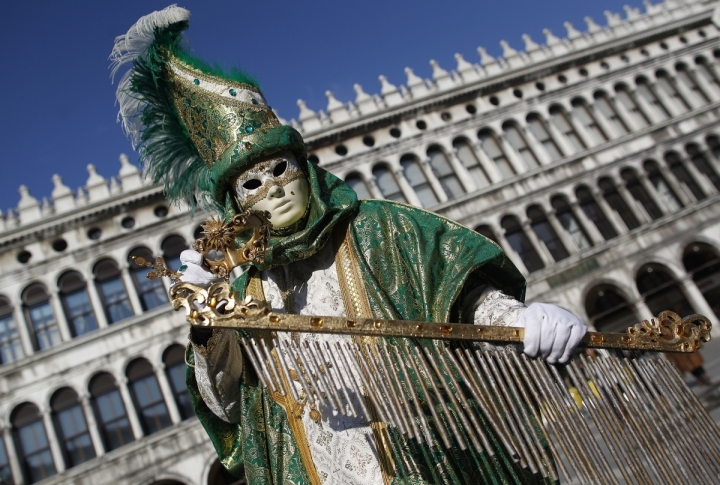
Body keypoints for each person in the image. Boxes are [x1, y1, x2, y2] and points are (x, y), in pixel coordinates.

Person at [111, 7, 586, 484]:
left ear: (305, 168)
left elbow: (451, 288)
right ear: (237, 205)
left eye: (280, 169)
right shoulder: (247, 290)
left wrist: (520, 319)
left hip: (425, 456)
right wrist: (206, 323)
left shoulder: (375, 227)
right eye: (252, 184)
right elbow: (229, 405)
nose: (273, 188)